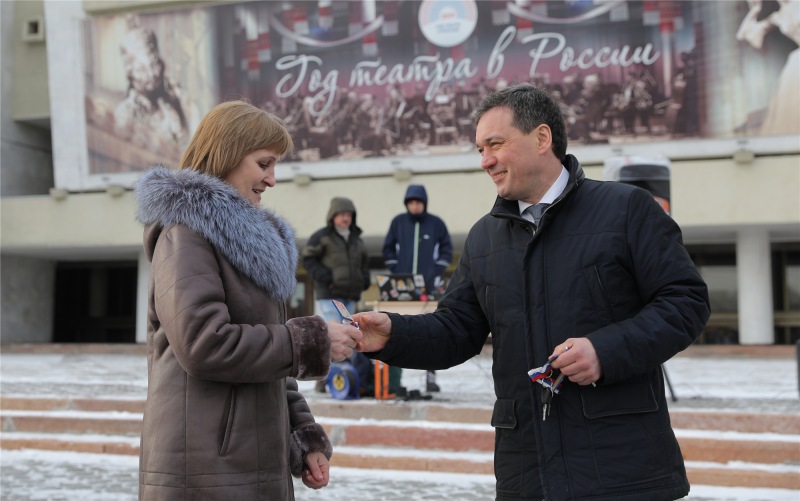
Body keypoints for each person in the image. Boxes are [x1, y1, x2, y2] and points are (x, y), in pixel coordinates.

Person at [352, 84, 710, 500]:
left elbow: (686, 301)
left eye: (495, 144)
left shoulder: (627, 208)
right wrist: (393, 334)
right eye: (480, 149)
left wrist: (604, 351)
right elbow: (456, 331)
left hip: (622, 469)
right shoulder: (483, 238)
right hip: (526, 472)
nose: (485, 161)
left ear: (542, 138)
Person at [134, 100, 362, 500]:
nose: (272, 179)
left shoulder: (250, 246)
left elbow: (271, 360)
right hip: (205, 471)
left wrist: (302, 434)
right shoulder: (184, 235)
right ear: (227, 154)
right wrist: (311, 340)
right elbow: (205, 343)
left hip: (249, 463)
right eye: (264, 164)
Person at [382, 184, 453, 392]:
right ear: (406, 204)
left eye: (418, 202)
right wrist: (396, 270)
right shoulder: (398, 222)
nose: (415, 206)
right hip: (402, 288)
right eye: (411, 202)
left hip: (428, 288)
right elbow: (388, 248)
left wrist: (435, 271)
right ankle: (395, 381)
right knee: (396, 330)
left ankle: (430, 377)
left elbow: (447, 249)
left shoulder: (436, 223)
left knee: (432, 331)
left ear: (424, 203)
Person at [302, 197, 372, 393]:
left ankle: (343, 378)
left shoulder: (357, 240)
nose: (345, 218)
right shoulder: (322, 236)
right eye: (341, 214)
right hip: (330, 296)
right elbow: (308, 259)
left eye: (348, 214)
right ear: (332, 216)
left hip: (350, 296)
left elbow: (364, 264)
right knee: (331, 338)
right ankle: (322, 378)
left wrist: (364, 280)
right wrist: (327, 278)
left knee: (348, 338)